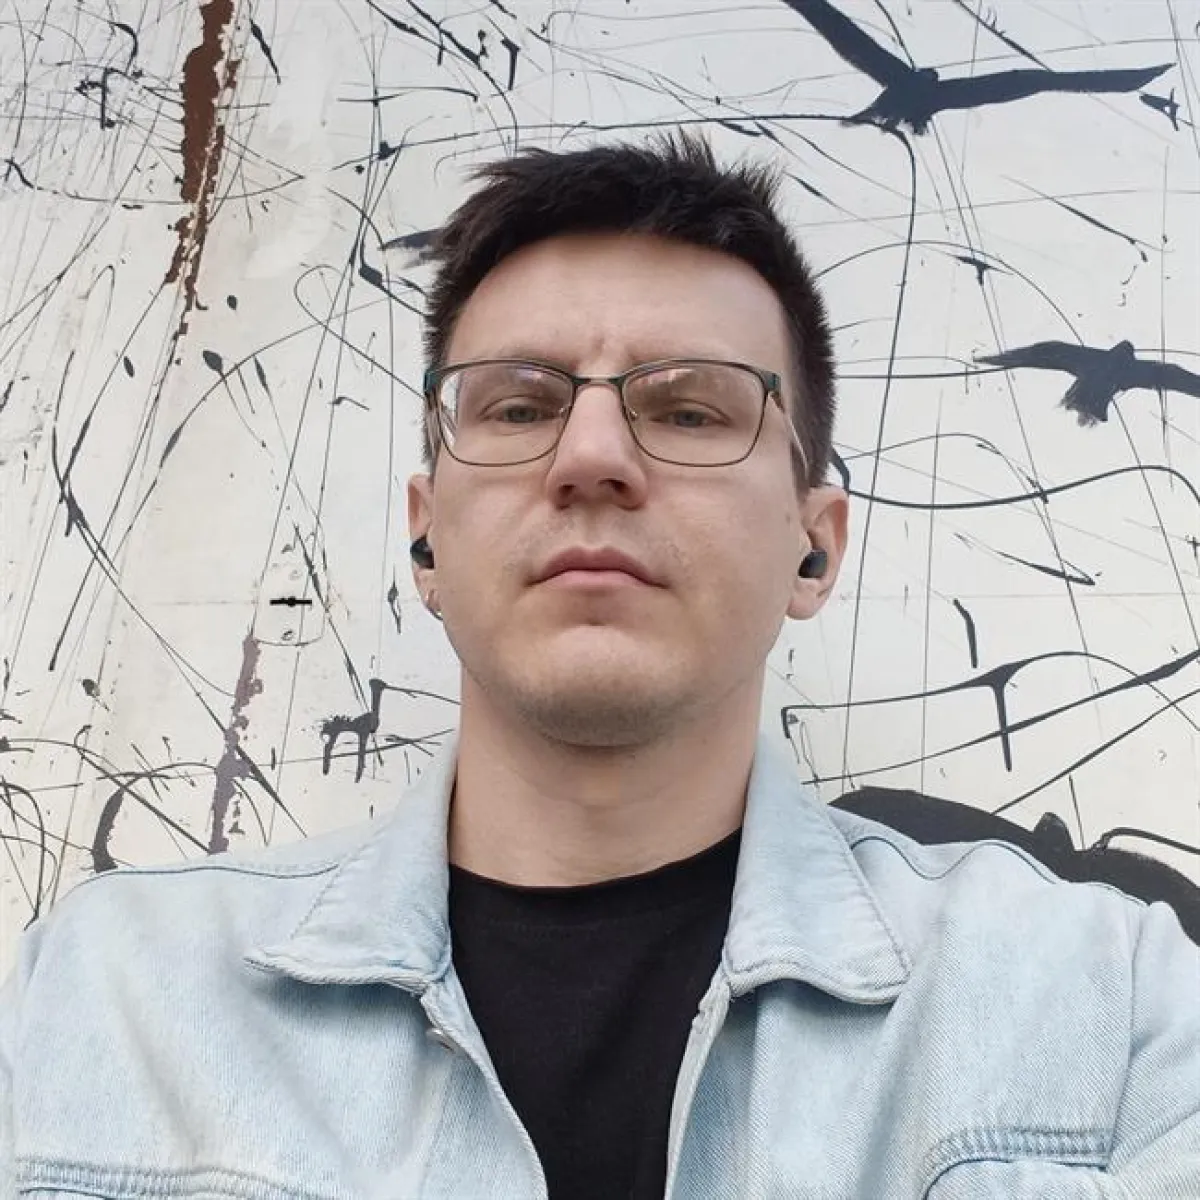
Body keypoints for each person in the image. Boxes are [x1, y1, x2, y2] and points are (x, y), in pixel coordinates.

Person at [2, 133, 1198, 1200]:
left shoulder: (1110, 1007)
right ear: (426, 540)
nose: (590, 456)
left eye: (689, 411)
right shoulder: (102, 1000)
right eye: (518, 408)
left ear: (815, 549)